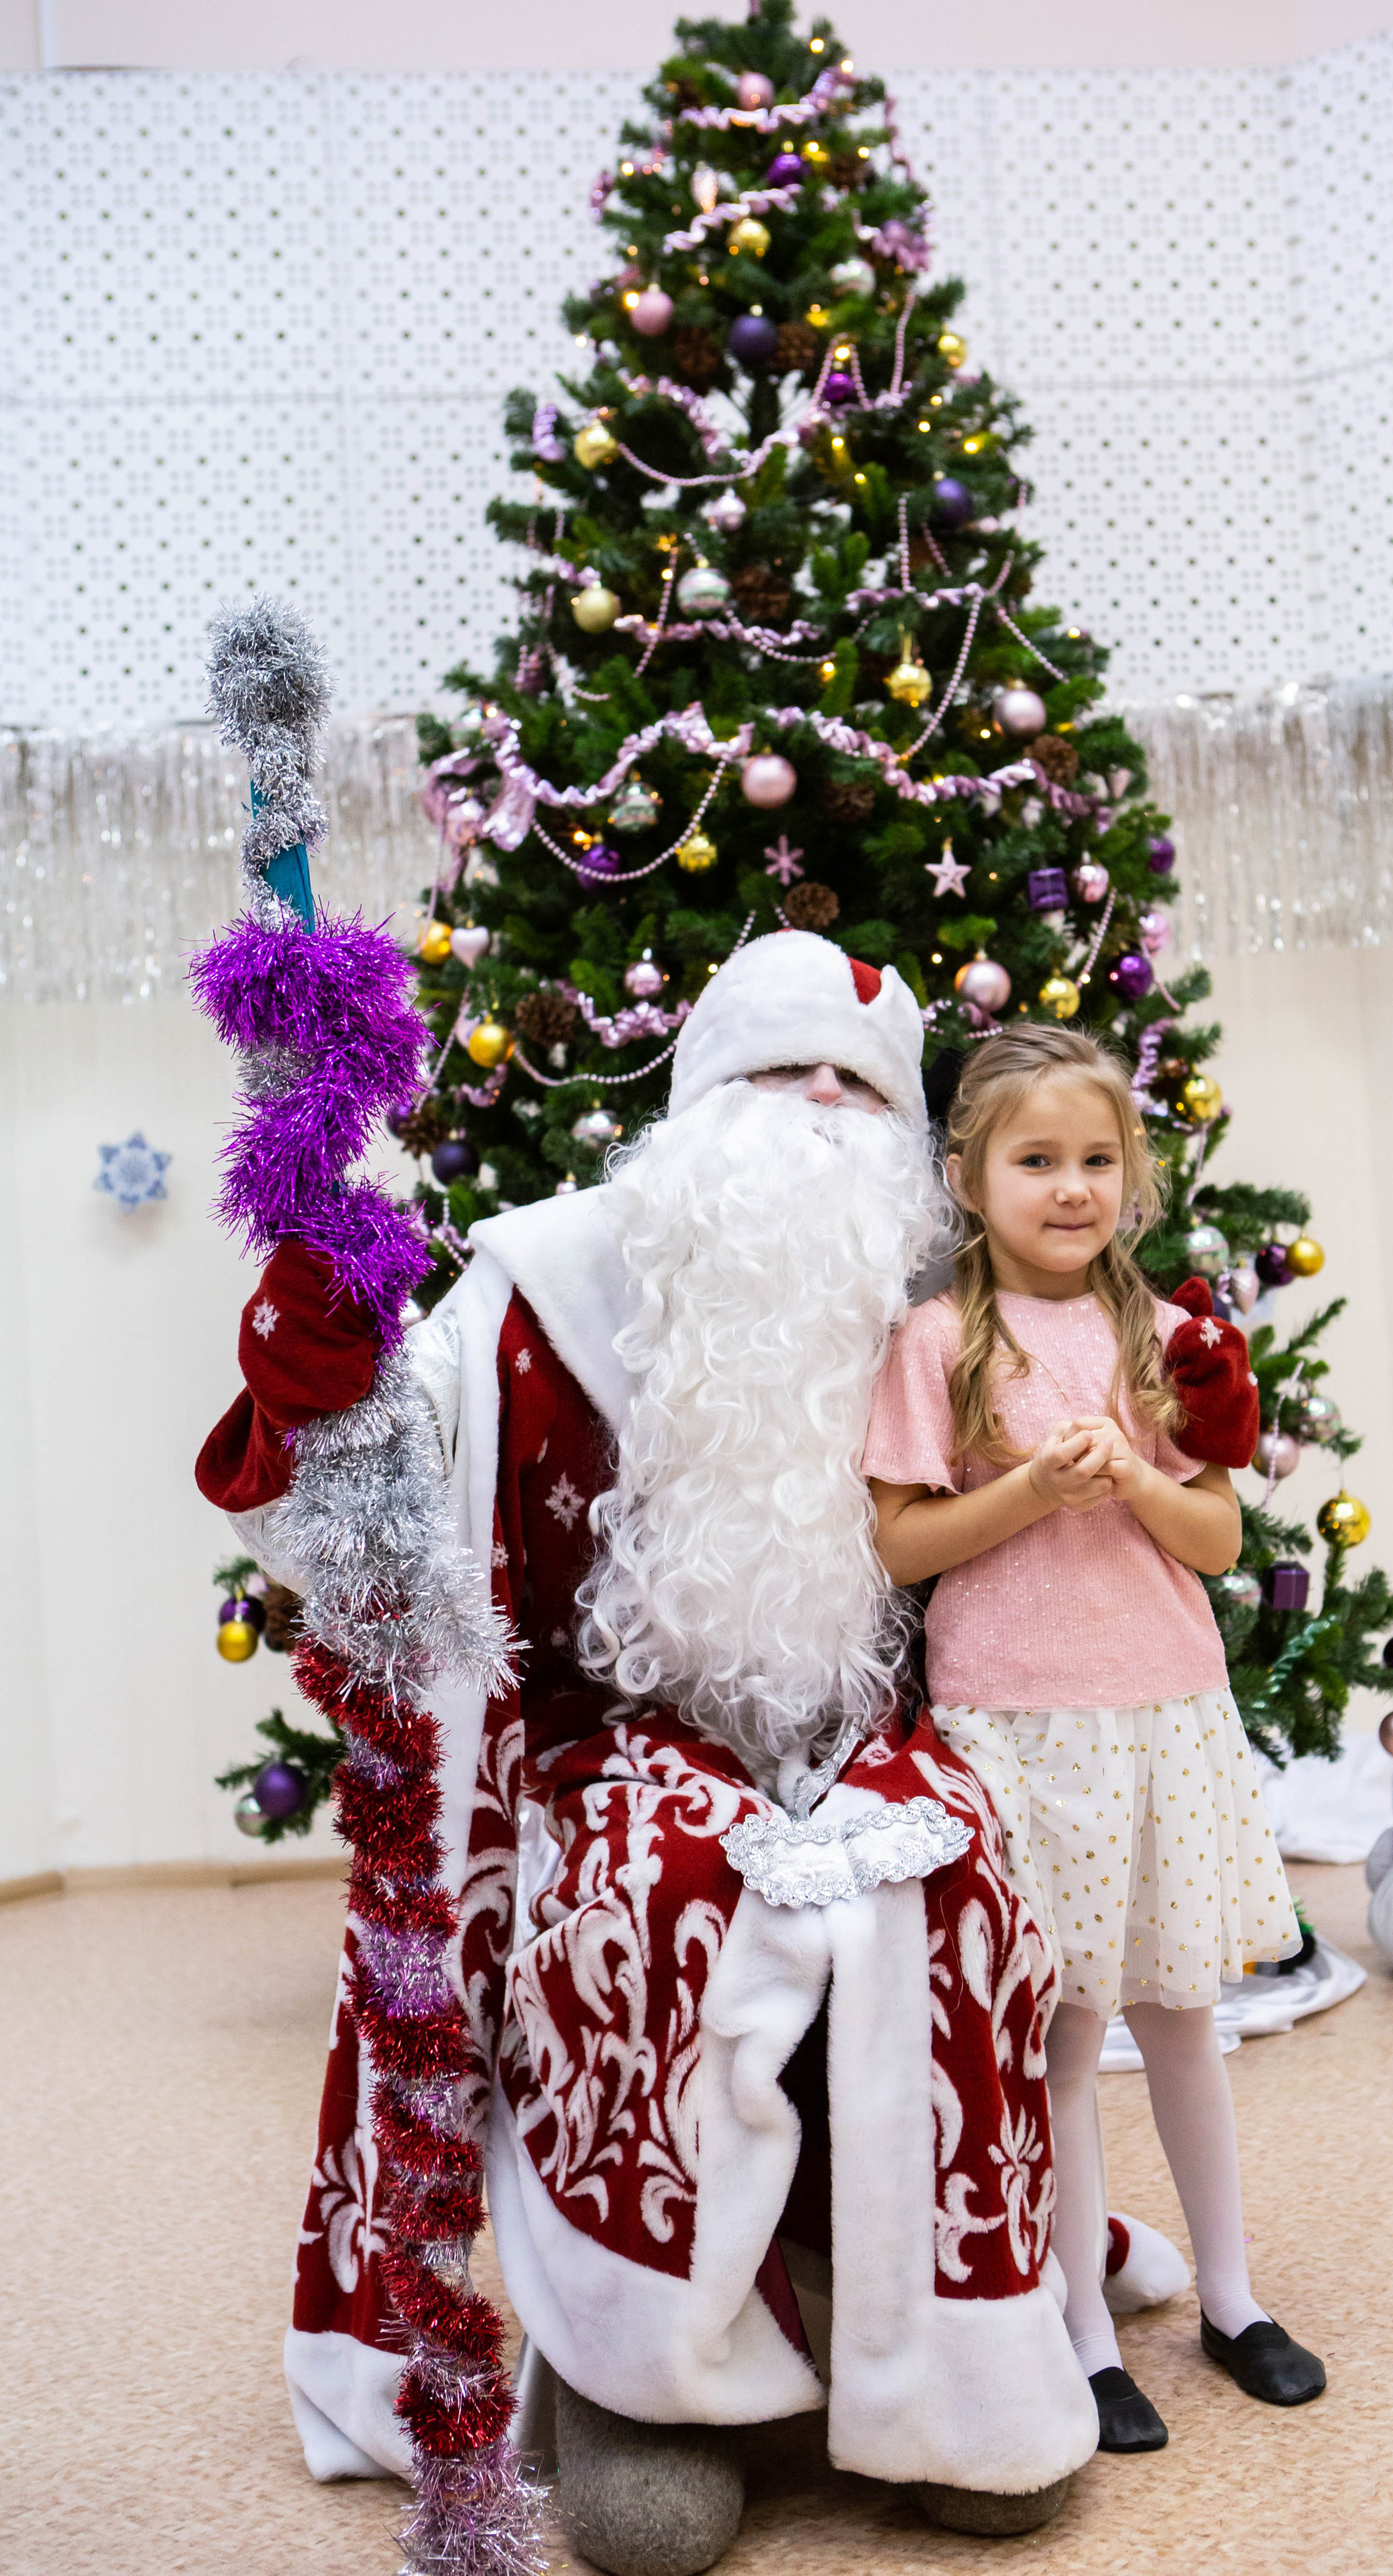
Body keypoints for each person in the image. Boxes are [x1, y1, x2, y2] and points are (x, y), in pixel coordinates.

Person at [198, 933, 1115, 2576]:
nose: (816, 1115)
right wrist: (320, 1377)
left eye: (855, 1088)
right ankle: (650, 2385)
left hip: (864, 1735)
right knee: (661, 1891)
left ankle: (951, 2370)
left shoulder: (939, 1300)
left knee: (957, 1880)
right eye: (778, 1077)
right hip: (606, 1744)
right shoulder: (547, 1288)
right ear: (694, 1103)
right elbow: (361, 1521)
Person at [864, 1021, 1327, 2456]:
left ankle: (1232, 2298)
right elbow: (899, 1544)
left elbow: (1214, 1532)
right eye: (1033, 1160)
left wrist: (1127, 1471)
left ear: (1130, 1176)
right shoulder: (938, 1340)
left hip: (1161, 1711)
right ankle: (1076, 2331)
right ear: (965, 1177)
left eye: (1094, 1160)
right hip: (1017, 1722)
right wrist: (1024, 1497)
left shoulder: (1157, 1335)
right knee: (1061, 2038)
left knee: (1179, 2021)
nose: (1068, 1187)